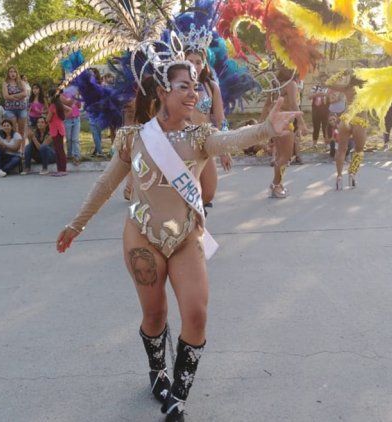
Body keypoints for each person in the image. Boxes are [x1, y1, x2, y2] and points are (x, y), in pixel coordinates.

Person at [56, 60, 301, 422]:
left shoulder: (200, 137)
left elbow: (230, 140)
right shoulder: (134, 138)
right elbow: (106, 184)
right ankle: (157, 371)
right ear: (161, 93)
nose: (193, 93)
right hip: (142, 234)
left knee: (197, 316)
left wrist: (266, 128)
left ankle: (178, 398)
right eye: (183, 86)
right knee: (154, 314)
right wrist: (77, 225)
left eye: (196, 86)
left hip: (185, 237)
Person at [184, 47, 231, 208]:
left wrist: (224, 149)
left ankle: (195, 215)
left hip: (205, 142)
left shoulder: (211, 86)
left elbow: (220, 119)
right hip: (181, 143)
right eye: (189, 61)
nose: (194, 66)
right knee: (185, 191)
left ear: (204, 65)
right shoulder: (173, 86)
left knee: (209, 192)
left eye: (198, 62)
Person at [261, 67, 310, 198]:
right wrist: (302, 123)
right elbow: (294, 105)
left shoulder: (276, 84)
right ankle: (276, 185)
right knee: (285, 156)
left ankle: (277, 184)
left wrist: (261, 123)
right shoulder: (291, 84)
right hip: (284, 123)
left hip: (275, 120)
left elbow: (267, 105)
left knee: (280, 156)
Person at [329, 71, 367, 190]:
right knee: (359, 150)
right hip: (359, 120)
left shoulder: (347, 88)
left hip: (346, 119)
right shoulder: (368, 88)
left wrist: (340, 74)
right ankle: (352, 174)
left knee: (341, 150)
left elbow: (329, 83)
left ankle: (339, 177)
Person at [2, 66, 28, 143]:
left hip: (21, 108)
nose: (13, 73)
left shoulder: (21, 82)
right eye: (11, 71)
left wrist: (12, 96)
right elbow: (6, 96)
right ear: (8, 73)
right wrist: (19, 96)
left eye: (14, 71)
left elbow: (25, 93)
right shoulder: (5, 83)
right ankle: (15, 148)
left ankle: (22, 150)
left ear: (17, 73)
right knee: (14, 130)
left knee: (21, 131)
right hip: (10, 109)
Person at [46, 88, 69, 176]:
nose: (48, 98)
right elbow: (69, 109)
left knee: (59, 150)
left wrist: (48, 115)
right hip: (60, 127)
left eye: (48, 96)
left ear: (52, 96)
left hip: (55, 129)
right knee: (59, 149)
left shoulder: (52, 106)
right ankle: (60, 169)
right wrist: (62, 118)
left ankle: (62, 170)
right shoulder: (59, 104)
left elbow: (48, 119)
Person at [88, 68, 106, 157]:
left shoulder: (98, 85)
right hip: (92, 110)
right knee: (96, 132)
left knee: (96, 131)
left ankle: (99, 151)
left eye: (92, 73)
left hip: (98, 110)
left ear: (95, 74)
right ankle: (97, 150)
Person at [62, 86, 82, 164]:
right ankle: (69, 155)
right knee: (69, 139)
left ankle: (77, 156)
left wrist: (78, 97)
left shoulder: (76, 95)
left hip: (76, 118)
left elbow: (79, 106)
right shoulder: (63, 95)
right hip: (68, 119)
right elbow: (68, 103)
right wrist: (74, 97)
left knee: (75, 139)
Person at [310, 83, 330, 147]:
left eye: (324, 79)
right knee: (316, 127)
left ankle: (326, 144)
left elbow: (332, 96)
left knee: (326, 127)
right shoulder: (315, 87)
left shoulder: (329, 87)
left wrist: (325, 94)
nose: (323, 81)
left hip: (326, 109)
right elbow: (309, 97)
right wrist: (316, 94)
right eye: (321, 79)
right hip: (316, 110)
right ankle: (314, 144)